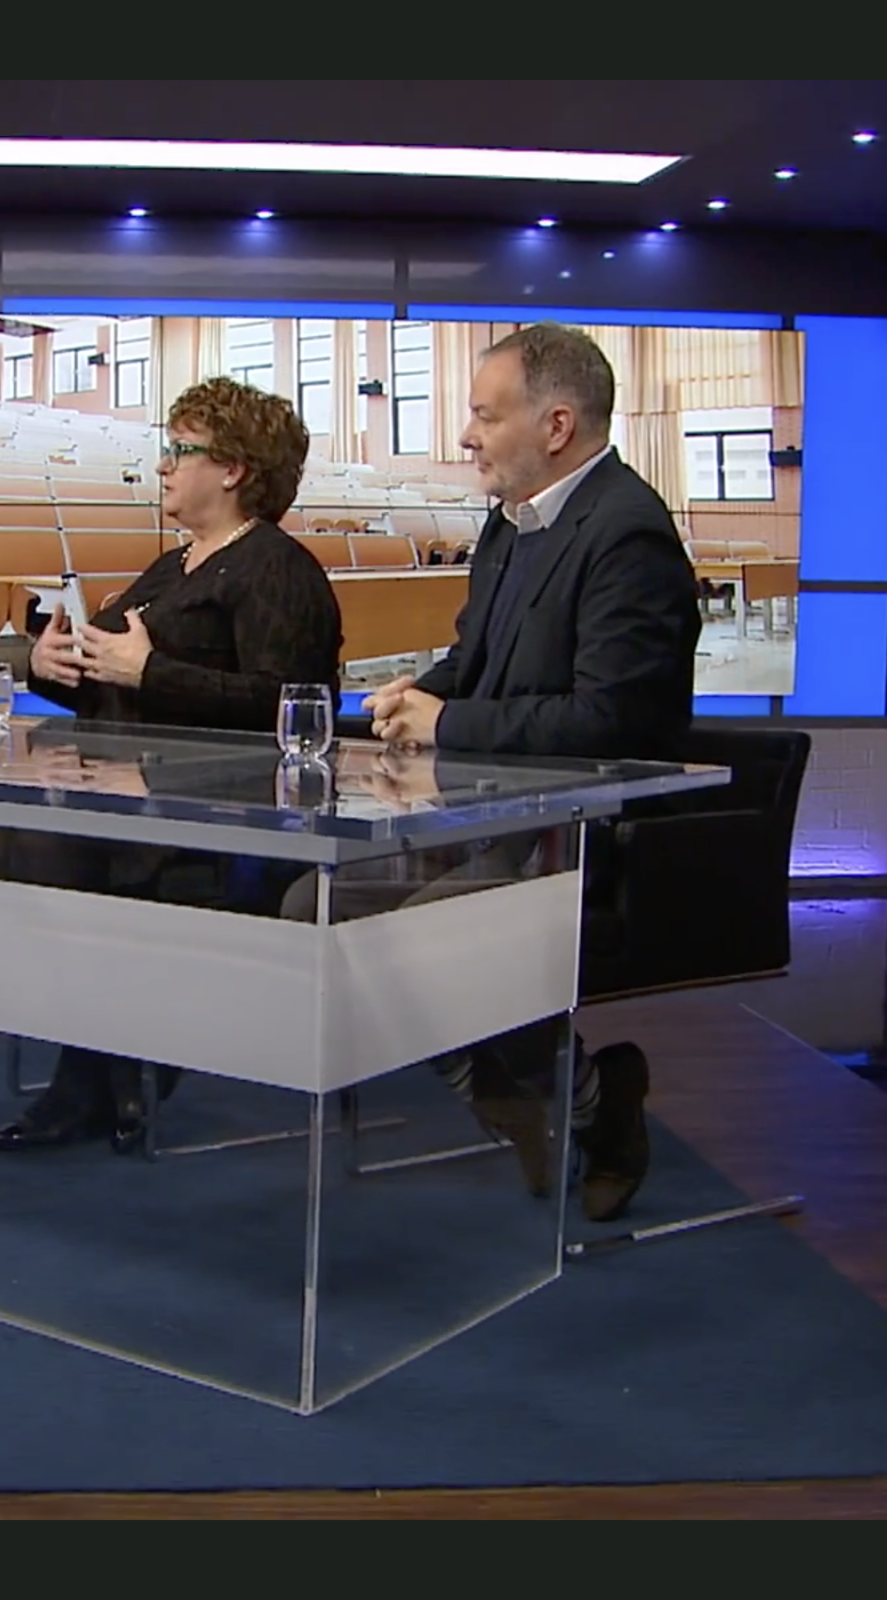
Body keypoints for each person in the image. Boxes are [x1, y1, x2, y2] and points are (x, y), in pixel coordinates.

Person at [284, 322, 700, 1220]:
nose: (466, 436)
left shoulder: (627, 532)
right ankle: (514, 1095)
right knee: (313, 907)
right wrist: (418, 696)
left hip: (589, 834)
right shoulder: (512, 524)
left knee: (429, 939)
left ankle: (591, 1105)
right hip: (495, 816)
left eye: (484, 415)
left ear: (556, 426)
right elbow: (473, 659)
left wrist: (451, 722)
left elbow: (613, 720)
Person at [0, 376, 344, 1154]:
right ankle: (119, 1052)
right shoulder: (173, 566)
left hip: (212, 807)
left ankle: (97, 1066)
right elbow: (109, 671)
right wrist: (52, 665)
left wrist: (150, 672)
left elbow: (290, 705)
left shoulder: (277, 568)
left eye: (181, 449)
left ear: (234, 468)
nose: (163, 465)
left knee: (35, 848)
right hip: (127, 789)